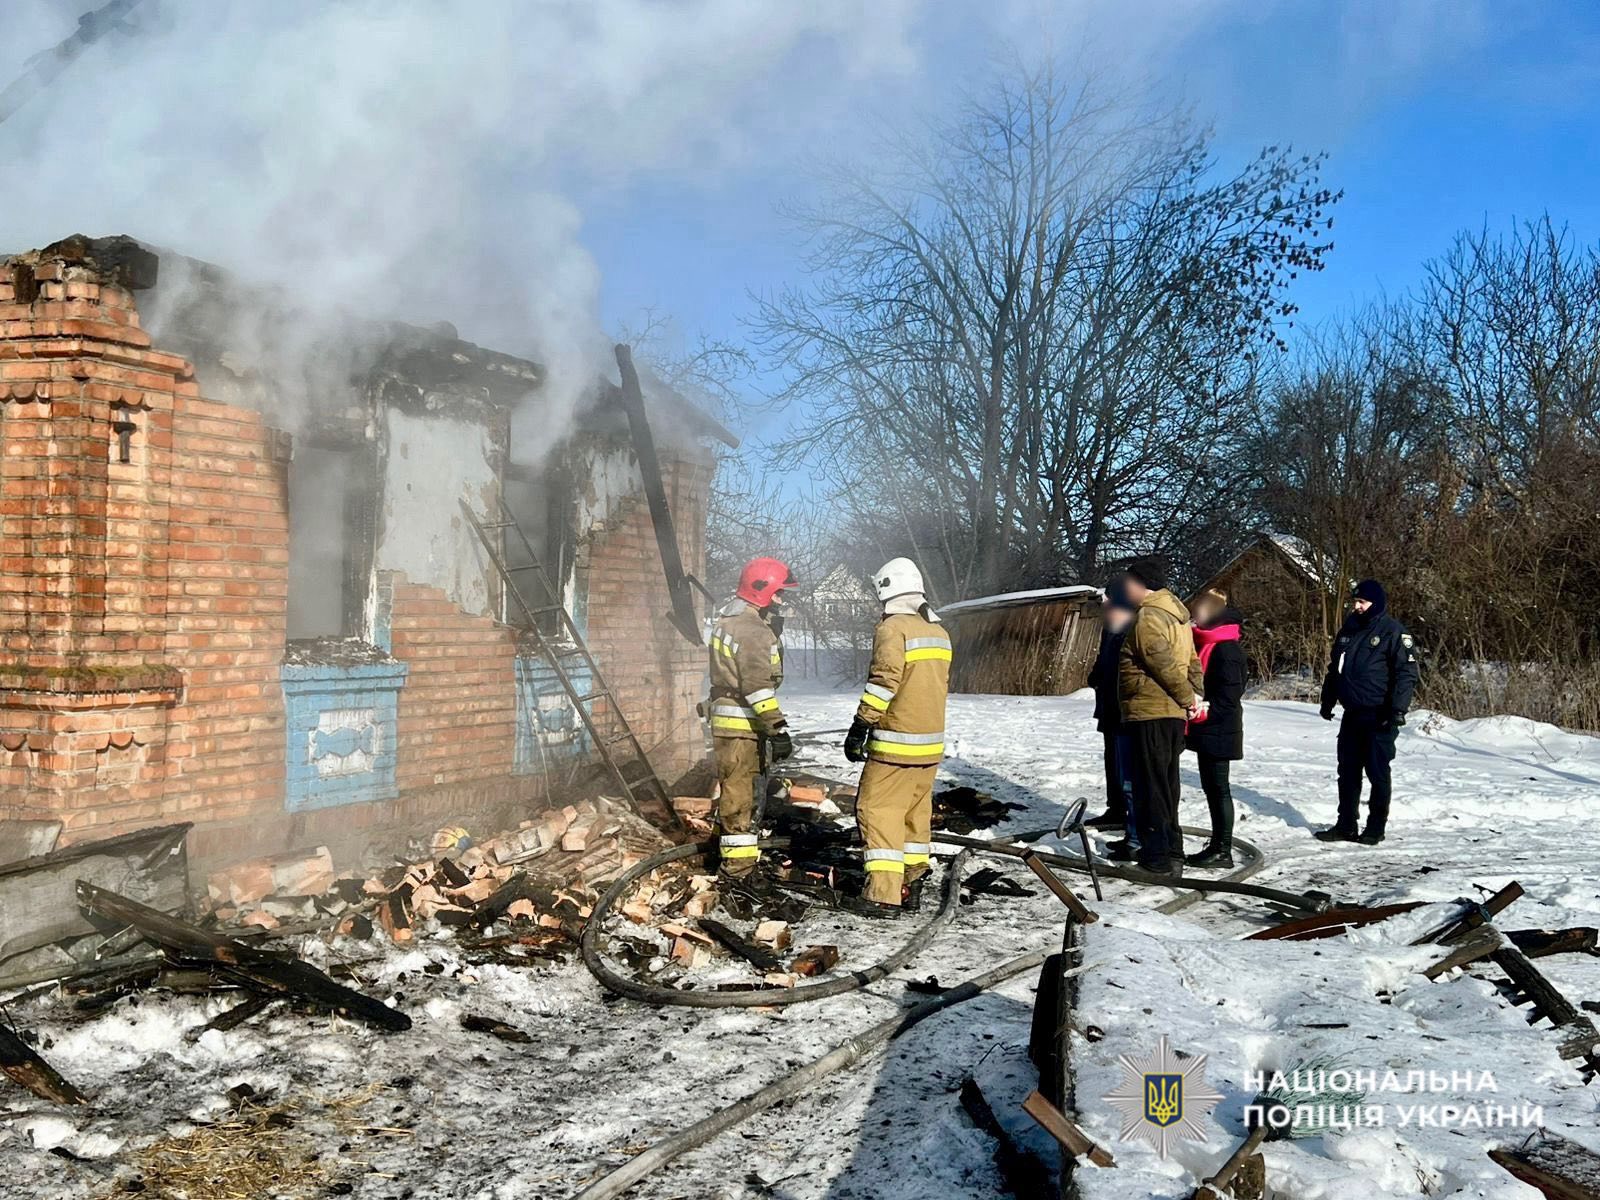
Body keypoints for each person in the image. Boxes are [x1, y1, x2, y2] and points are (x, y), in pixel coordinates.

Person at [842, 557, 952, 917]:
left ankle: (883, 895)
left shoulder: (893, 629)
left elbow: (885, 682)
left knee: (877, 810)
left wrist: (861, 725)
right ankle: (914, 879)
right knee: (913, 813)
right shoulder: (937, 630)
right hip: (929, 745)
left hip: (895, 744)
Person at [707, 557, 797, 885]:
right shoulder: (752, 631)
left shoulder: (729, 620)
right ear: (763, 591)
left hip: (730, 723)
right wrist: (778, 729)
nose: (783, 602)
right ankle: (738, 872)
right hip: (743, 724)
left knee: (736, 790)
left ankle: (725, 855)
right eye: (779, 594)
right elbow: (758, 688)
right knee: (741, 796)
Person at [1117, 558, 1205, 878]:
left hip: (1150, 710)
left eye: (1129, 582)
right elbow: (1192, 662)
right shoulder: (1177, 617)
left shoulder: (1149, 617)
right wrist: (1195, 696)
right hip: (1168, 714)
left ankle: (1156, 857)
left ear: (1143, 584)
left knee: (1150, 785)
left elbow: (1162, 664)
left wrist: (1187, 697)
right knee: (1167, 783)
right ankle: (1172, 849)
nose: (1126, 588)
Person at [1315, 579, 1419, 846]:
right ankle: (1346, 825)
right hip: (1353, 714)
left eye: (1362, 602)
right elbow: (1334, 669)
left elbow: (1406, 673)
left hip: (1379, 715)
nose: (1357, 607)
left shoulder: (1392, 632)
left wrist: (1397, 709)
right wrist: (1328, 700)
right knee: (1347, 772)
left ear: (1376, 603)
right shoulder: (1349, 630)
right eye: (1355, 602)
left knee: (1377, 772)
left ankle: (1375, 828)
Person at [1184, 589, 1246, 868]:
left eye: (1198, 611)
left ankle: (1223, 849)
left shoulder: (1226, 648)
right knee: (1213, 787)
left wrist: (1206, 708)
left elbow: (1230, 695)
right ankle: (1219, 845)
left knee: (1219, 788)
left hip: (1220, 728)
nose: (1194, 617)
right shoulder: (1206, 643)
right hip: (1208, 728)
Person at [1085, 581, 1141, 864]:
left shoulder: (1131, 624)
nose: (1104, 604)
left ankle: (1132, 821)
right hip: (1108, 703)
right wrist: (1095, 676)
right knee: (1111, 758)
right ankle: (1115, 807)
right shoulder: (1112, 625)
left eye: (1108, 598)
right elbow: (1103, 658)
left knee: (1126, 765)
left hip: (1123, 706)